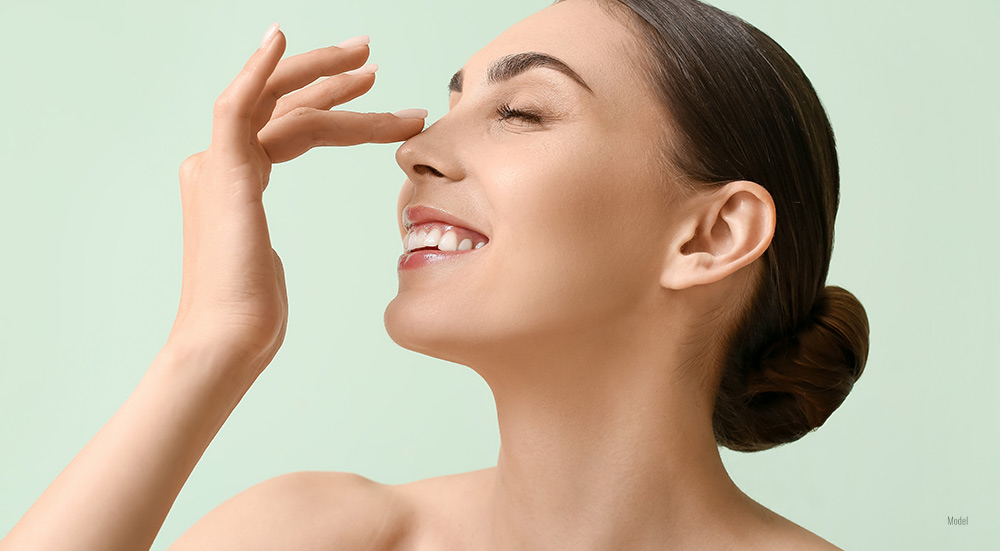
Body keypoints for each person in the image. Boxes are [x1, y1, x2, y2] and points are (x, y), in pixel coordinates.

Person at [0, 0, 869, 549]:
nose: (415, 151)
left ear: (712, 234)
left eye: (521, 112)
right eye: (450, 105)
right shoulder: (318, 536)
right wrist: (210, 344)